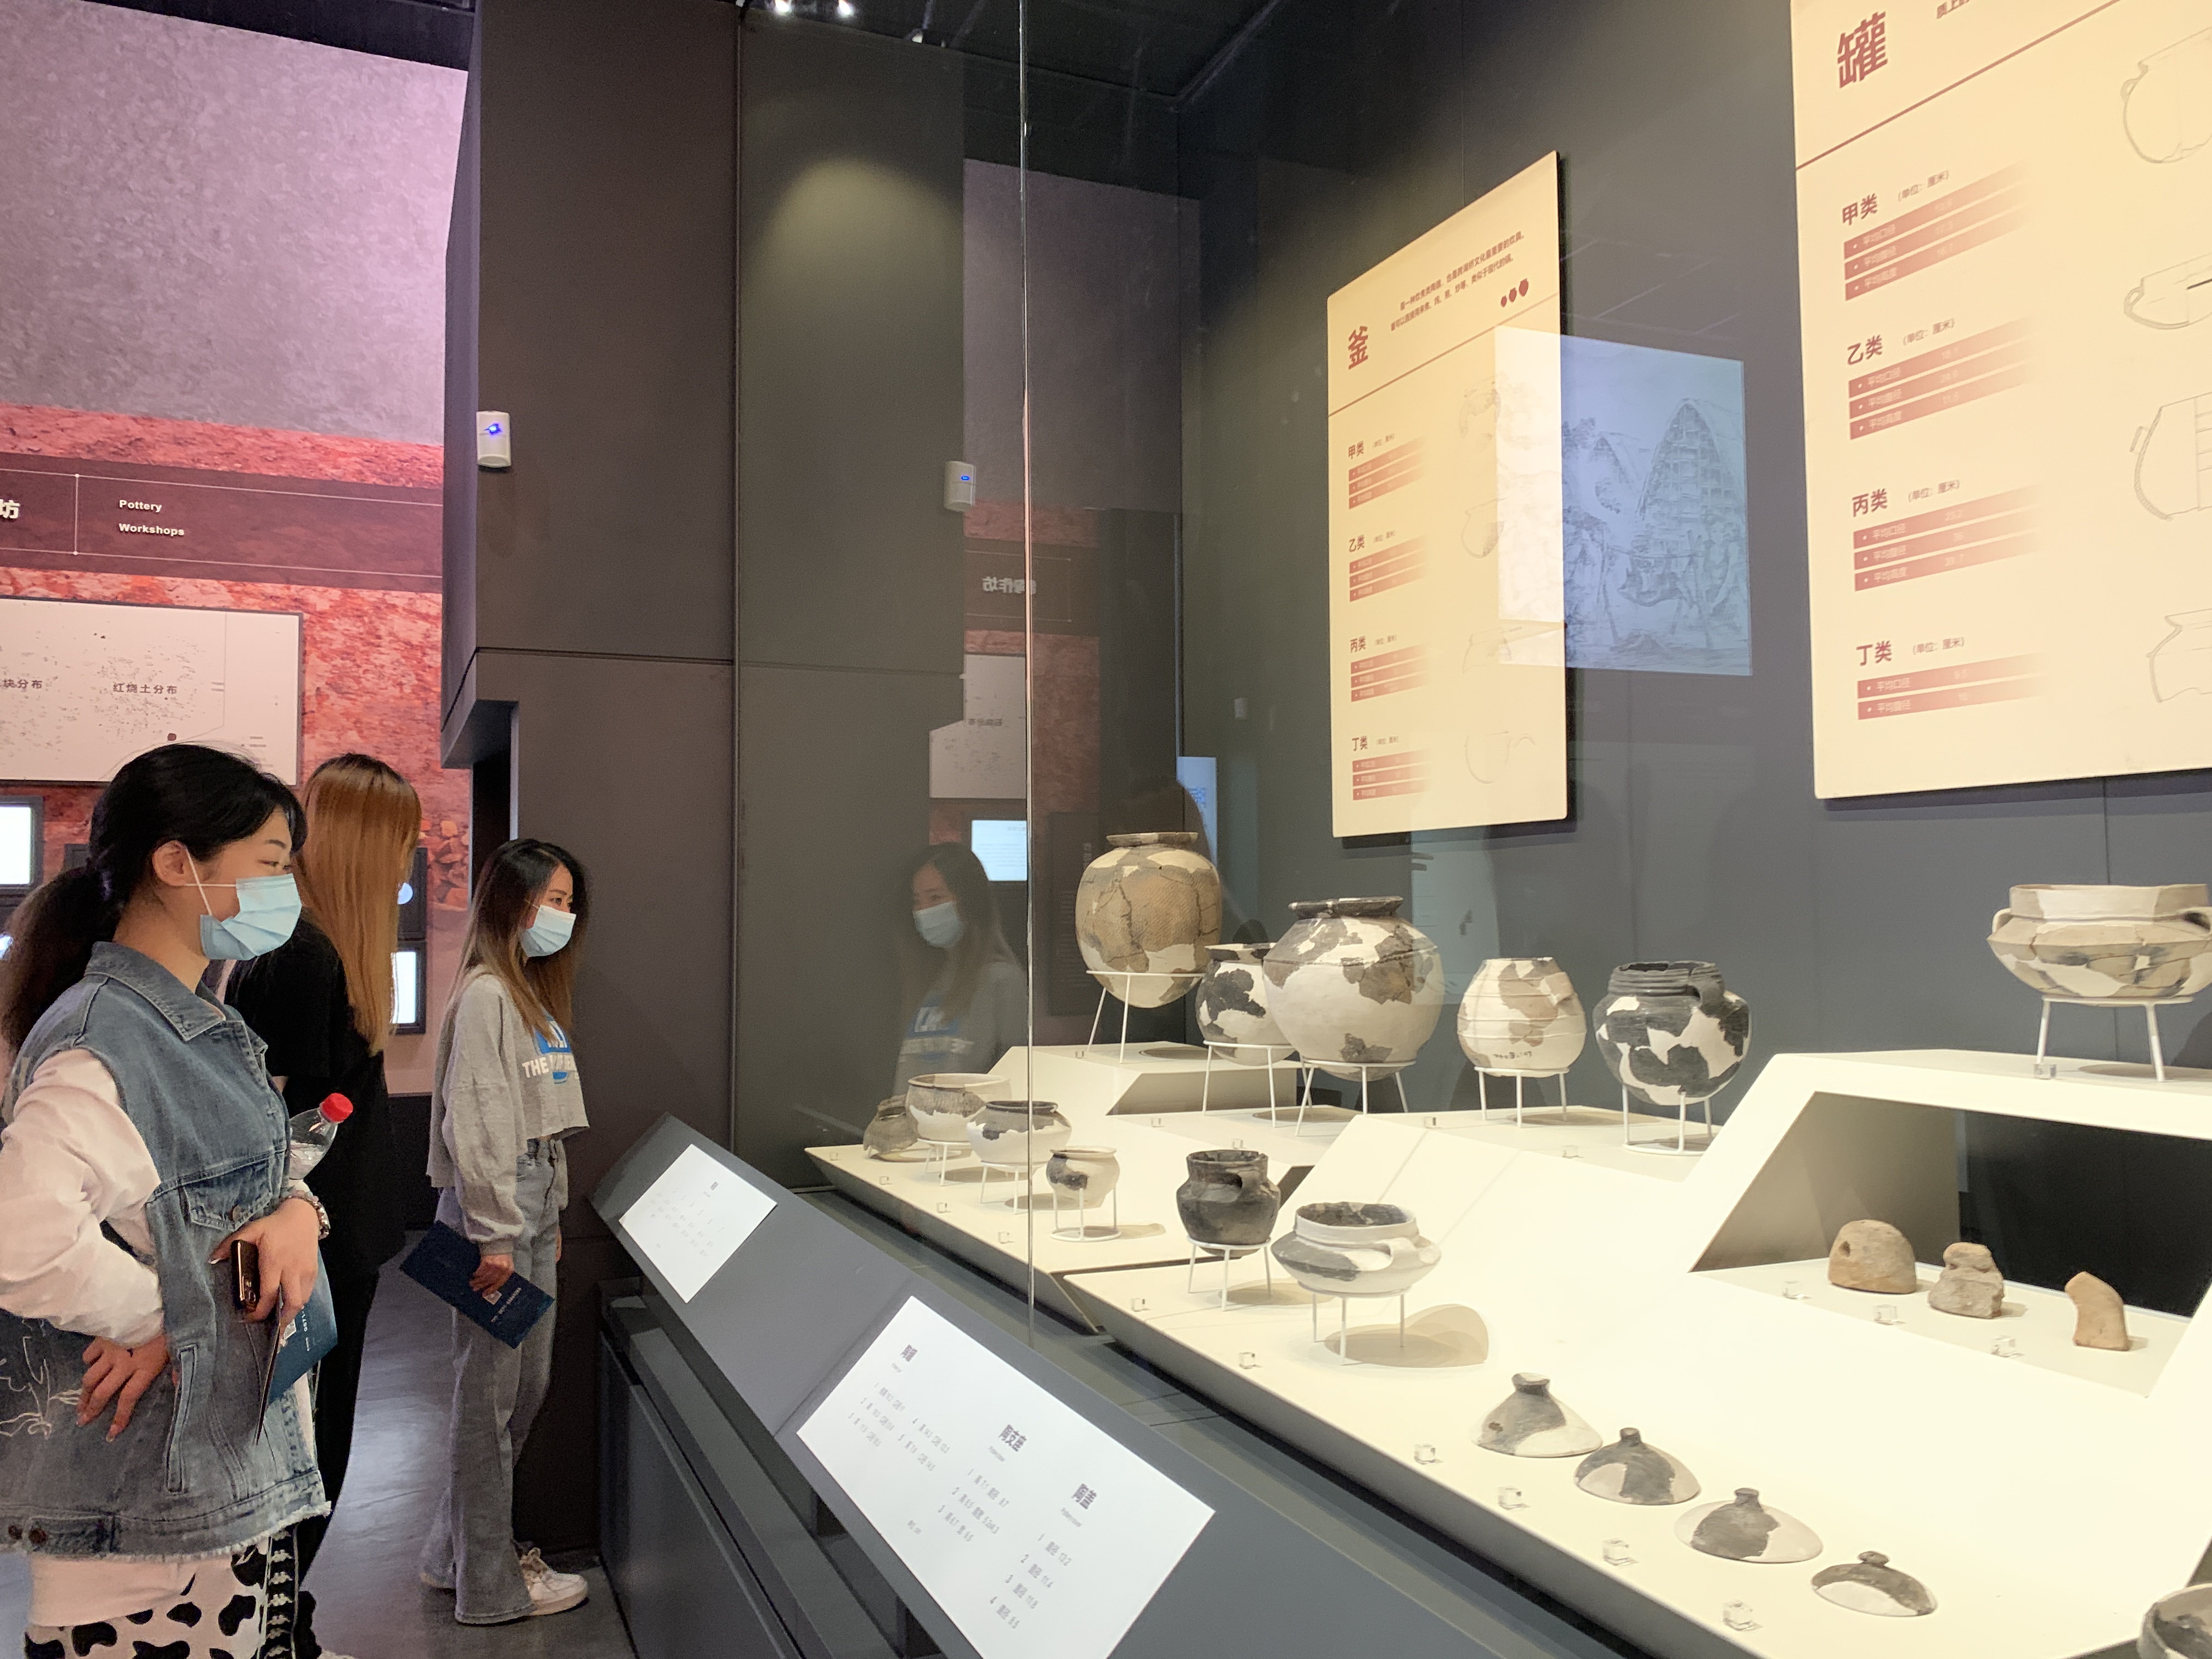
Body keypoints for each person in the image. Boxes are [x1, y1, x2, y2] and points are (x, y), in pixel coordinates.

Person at [0, 744, 331, 1659]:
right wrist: (170, 1316)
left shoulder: (203, 1022)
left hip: (220, 1478)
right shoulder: (105, 1037)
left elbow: (256, 1178)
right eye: (270, 863)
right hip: (149, 1528)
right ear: (178, 862)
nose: (285, 891)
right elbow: (24, 1238)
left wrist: (299, 1214)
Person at [228, 752, 421, 1655]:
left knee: (320, 1444)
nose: (409, 863)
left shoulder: (329, 951)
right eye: (403, 843)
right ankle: (279, 1631)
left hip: (340, 1238)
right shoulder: (301, 956)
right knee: (306, 1452)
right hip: (315, 1246)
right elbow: (276, 1127)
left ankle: (287, 1624)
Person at [418, 837, 591, 1624]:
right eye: (551, 900)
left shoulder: (524, 992)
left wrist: (544, 1218)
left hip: (529, 1204)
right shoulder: (489, 994)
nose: (563, 915)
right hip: (497, 1213)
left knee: (519, 1391)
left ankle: (451, 1553)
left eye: (568, 902)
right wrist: (495, 1234)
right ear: (513, 903)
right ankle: (489, 1584)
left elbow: (539, 1122)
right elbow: (478, 1120)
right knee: (489, 1402)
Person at [892, 842, 1025, 1092]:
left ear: (969, 902)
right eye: (917, 901)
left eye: (935, 898)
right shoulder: (926, 977)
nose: (923, 911)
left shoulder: (1001, 980)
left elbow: (1014, 1078)